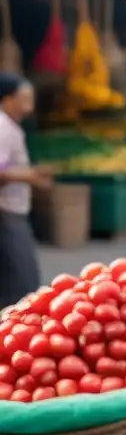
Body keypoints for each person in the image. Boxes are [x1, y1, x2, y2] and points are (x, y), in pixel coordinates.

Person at [0, 76, 52, 309]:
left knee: (16, 277)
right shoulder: (2, 127)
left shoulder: (10, 126)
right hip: (6, 212)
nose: (30, 107)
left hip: (13, 209)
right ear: (8, 98)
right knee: (22, 280)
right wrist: (30, 176)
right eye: (25, 99)